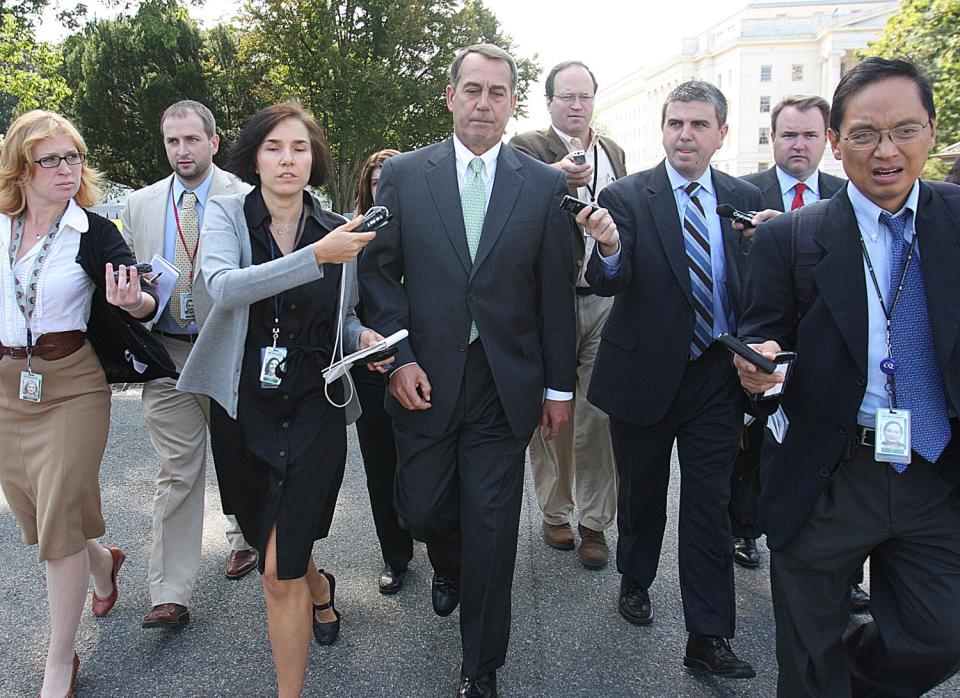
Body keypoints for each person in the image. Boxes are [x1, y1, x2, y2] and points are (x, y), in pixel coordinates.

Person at [735, 56, 960, 696]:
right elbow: (760, 338)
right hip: (827, 470)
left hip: (934, 468)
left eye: (905, 130)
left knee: (940, 634)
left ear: (932, 132)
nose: (885, 151)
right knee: (807, 660)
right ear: (837, 141)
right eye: (864, 133)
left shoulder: (956, 221)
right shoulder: (792, 239)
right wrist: (759, 372)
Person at [359, 43, 576, 697]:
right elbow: (378, 274)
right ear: (450, 96)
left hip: (503, 385)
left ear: (512, 103)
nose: (485, 103)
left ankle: (481, 667)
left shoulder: (542, 186)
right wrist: (397, 357)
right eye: (473, 90)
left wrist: (559, 387)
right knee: (423, 509)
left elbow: (555, 294)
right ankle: (445, 563)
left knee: (492, 526)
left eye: (498, 92)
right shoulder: (404, 176)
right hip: (423, 377)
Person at [177, 101, 380, 698]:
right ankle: (320, 590)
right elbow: (223, 287)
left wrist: (362, 336)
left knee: (274, 570)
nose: (287, 159)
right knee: (273, 538)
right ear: (253, 157)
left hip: (316, 405)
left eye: (299, 148)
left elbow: (343, 319)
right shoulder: (227, 215)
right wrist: (315, 258)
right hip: (244, 407)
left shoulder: (337, 226)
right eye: (273, 147)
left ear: (314, 158)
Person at [578, 80, 762, 678]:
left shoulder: (744, 199)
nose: (686, 135)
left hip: (715, 374)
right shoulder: (627, 195)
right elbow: (612, 277)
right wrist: (606, 249)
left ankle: (708, 637)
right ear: (663, 129)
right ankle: (635, 577)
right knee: (643, 493)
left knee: (708, 504)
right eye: (676, 123)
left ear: (721, 134)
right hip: (644, 372)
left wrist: (766, 247)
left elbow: (757, 287)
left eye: (699, 125)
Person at [0, 110, 161, 697]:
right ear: (22, 168)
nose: (68, 169)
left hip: (73, 385)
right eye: (52, 160)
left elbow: (143, 300)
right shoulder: (0, 227)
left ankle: (59, 664)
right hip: (8, 387)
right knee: (39, 511)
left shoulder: (94, 233)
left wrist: (134, 301)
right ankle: (102, 560)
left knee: (58, 519)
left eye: (74, 157)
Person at [121, 100, 258, 631]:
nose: (182, 150)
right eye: (173, 142)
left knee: (239, 452)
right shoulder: (139, 204)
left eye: (192, 140)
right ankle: (170, 593)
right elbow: (127, 273)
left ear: (214, 141)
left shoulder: (244, 198)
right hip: (168, 351)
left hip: (228, 346)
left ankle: (244, 537)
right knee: (177, 470)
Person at [733, 96, 870, 605]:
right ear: (774, 139)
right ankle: (745, 528)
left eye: (810, 135)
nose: (800, 144)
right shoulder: (747, 192)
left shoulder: (849, 193)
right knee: (751, 454)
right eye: (790, 135)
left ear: (827, 140)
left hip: (831, 363)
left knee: (840, 469)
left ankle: (847, 575)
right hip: (761, 346)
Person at [510, 60, 626, 568]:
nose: (576, 105)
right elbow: (510, 206)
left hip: (602, 300)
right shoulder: (527, 149)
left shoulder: (613, 152)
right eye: (566, 97)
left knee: (598, 417)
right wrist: (553, 177)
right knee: (552, 414)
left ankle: (596, 522)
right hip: (548, 304)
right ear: (549, 102)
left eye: (585, 96)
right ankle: (555, 510)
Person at [352, 148, 415, 594]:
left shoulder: (426, 231)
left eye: (390, 182)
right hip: (369, 368)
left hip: (421, 362)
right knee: (381, 466)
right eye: (376, 183)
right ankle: (395, 555)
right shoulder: (350, 236)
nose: (384, 190)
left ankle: (444, 546)